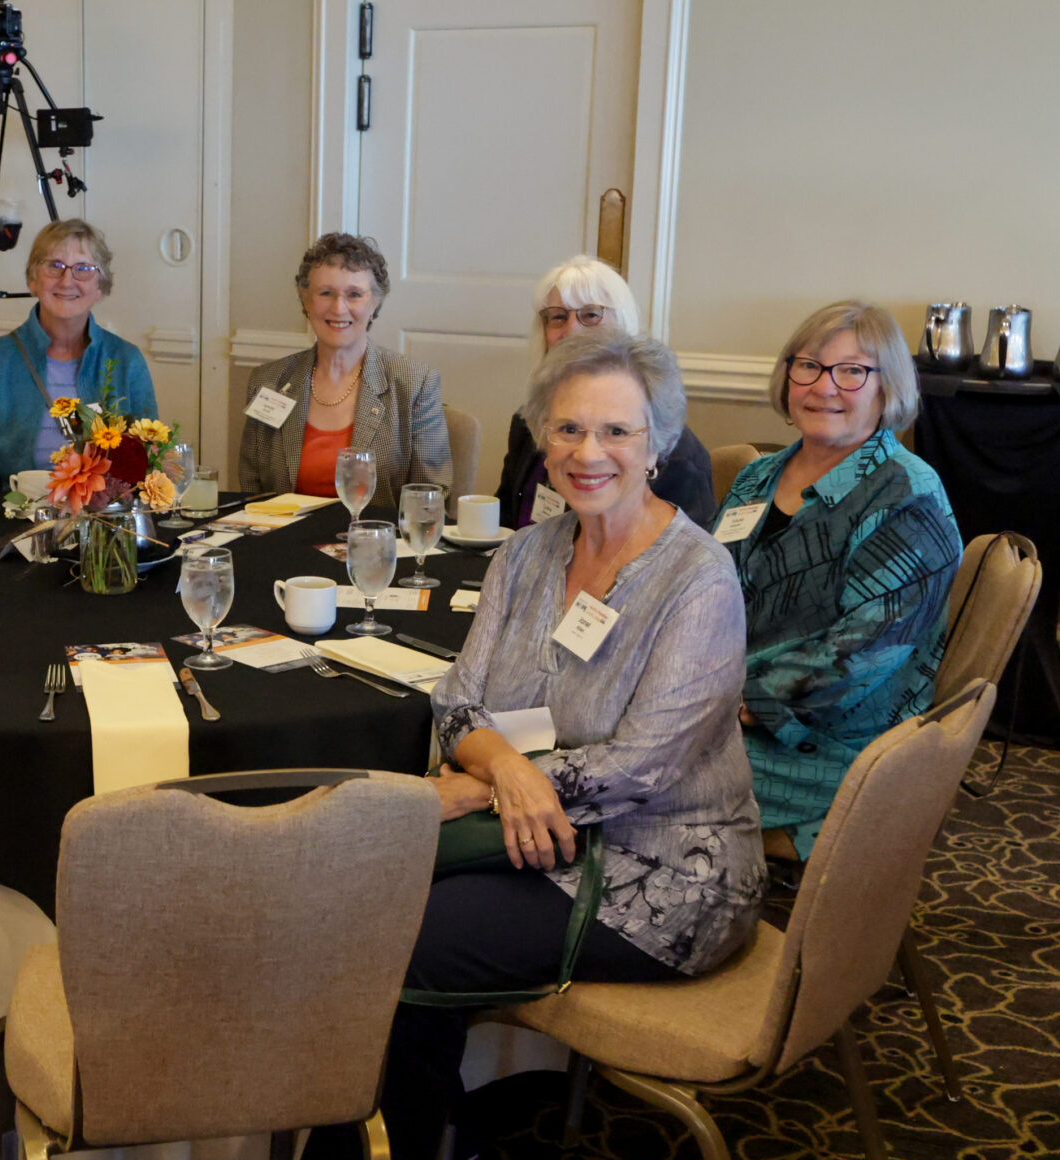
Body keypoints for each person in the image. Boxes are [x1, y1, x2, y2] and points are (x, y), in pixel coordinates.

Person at [254, 333, 761, 1160]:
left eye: (616, 429)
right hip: (534, 830)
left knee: (401, 934)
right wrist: (510, 773)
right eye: (567, 427)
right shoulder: (531, 551)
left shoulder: (698, 579)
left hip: (662, 874)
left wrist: (494, 781)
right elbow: (457, 700)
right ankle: (424, 1136)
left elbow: (642, 766)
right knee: (362, 882)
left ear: (658, 444)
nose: (588, 450)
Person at [720, 301, 962, 857]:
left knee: (634, 774)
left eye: (852, 371)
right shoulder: (760, 476)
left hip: (828, 745)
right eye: (808, 365)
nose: (824, 386)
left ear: (887, 388)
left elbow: (860, 655)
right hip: (728, 710)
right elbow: (707, 589)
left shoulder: (906, 497)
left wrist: (738, 704)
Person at [491, 256, 718, 527]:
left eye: (590, 315)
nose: (571, 330)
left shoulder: (668, 446)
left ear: (621, 321)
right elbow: (503, 523)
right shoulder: (529, 421)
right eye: (558, 317)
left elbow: (685, 553)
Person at [237, 233, 450, 504]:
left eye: (354, 294)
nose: (339, 308)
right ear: (306, 301)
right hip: (283, 539)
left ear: (375, 304)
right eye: (326, 293)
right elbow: (251, 488)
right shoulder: (269, 381)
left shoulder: (415, 383)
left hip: (377, 540)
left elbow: (430, 495)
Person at [0, 219, 157, 491]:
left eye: (83, 268)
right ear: (32, 280)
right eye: (54, 265)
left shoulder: (127, 361)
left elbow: (150, 462)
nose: (67, 280)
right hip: (9, 521)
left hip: (103, 524)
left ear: (100, 287)